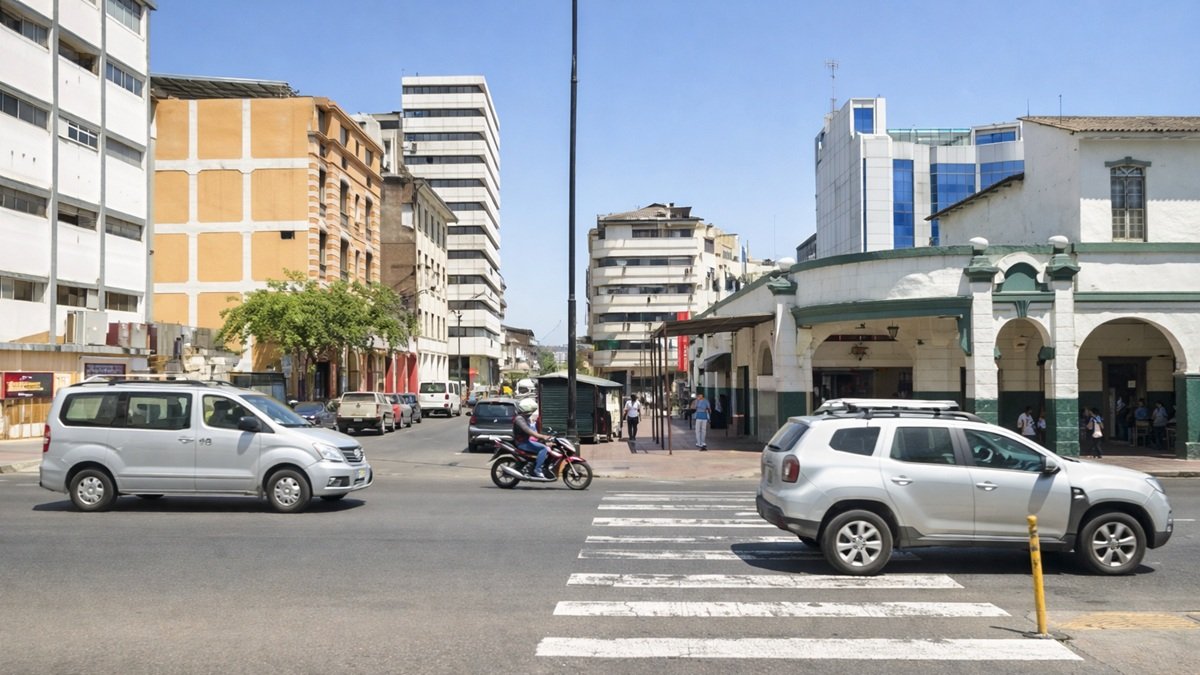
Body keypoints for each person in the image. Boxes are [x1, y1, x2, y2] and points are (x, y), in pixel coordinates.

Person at [513, 398, 554, 478]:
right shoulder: (519, 419)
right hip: (522, 443)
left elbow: (533, 430)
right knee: (543, 448)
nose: (531, 413)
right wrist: (542, 436)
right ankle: (537, 470)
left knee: (545, 446)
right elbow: (529, 431)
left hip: (526, 441)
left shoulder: (525, 418)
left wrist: (544, 437)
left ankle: (538, 465)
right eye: (531, 411)